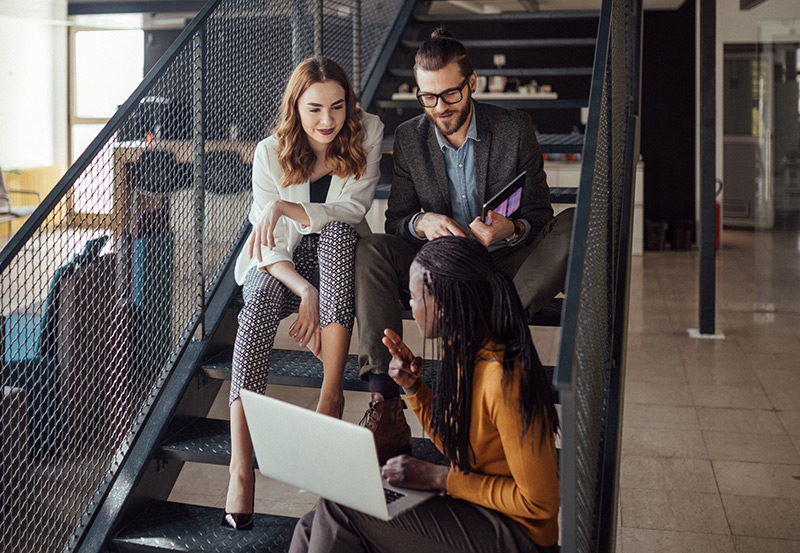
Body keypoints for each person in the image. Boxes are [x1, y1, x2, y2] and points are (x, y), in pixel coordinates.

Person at [355, 28, 574, 460]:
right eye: (427, 97)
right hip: (438, 265)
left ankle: (494, 325)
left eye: (450, 95)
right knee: (371, 249)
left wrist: (509, 230)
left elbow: (540, 215)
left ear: (472, 82)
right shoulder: (409, 138)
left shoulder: (513, 129)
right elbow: (396, 221)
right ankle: (384, 401)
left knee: (574, 223)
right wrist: (423, 222)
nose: (440, 108)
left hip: (504, 264)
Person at [290, 236, 560, 553]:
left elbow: (539, 503)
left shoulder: (505, 378)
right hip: (477, 508)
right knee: (312, 524)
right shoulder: (467, 355)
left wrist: (438, 477)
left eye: (415, 297)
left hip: (519, 536)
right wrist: (414, 388)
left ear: (442, 306)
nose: (411, 306)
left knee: (340, 509)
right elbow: (460, 447)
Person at [223, 56, 384, 530]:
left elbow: (353, 209)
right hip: (279, 261)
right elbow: (266, 243)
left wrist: (289, 205)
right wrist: (304, 289)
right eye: (314, 109)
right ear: (295, 106)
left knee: (335, 235)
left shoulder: (367, 131)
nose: (328, 121)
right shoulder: (269, 153)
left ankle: (330, 397)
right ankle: (240, 465)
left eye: (337, 107)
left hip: (336, 247)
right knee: (260, 305)